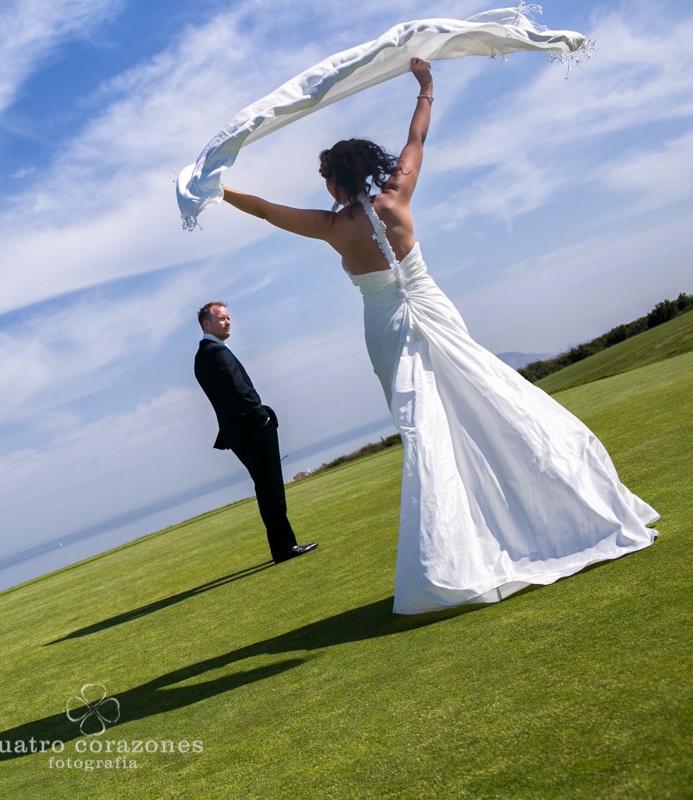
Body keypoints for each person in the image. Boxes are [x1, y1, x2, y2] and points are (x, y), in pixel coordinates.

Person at [220, 58, 658, 613]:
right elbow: (416, 138)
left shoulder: (333, 227)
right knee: (487, 400)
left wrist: (220, 189)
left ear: (338, 180)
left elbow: (264, 211)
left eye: (326, 177)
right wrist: (425, 88)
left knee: (425, 429)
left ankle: (461, 555)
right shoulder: (397, 197)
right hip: (432, 309)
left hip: (388, 326)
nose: (323, 186)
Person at [194, 300, 318, 564]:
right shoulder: (217, 353)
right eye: (222, 318)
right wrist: (262, 417)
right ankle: (285, 547)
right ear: (207, 324)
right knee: (270, 488)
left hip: (237, 432)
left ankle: (282, 545)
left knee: (265, 488)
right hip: (251, 428)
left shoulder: (202, 356)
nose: (228, 322)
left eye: (229, 318)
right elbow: (241, 392)